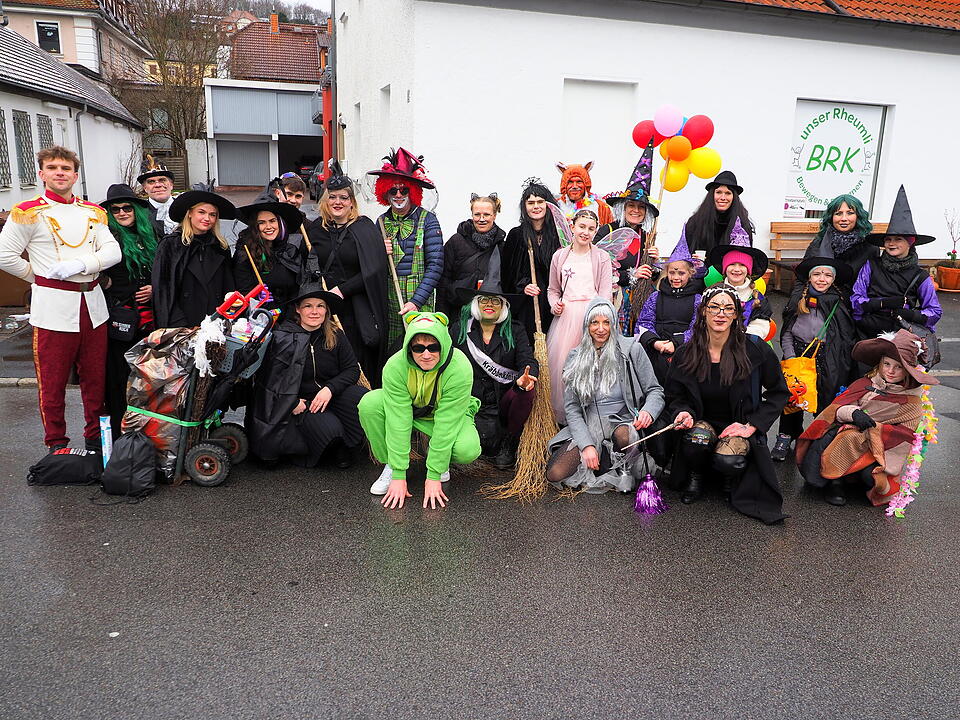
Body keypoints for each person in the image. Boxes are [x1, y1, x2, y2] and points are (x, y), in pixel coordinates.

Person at [0, 146, 121, 452]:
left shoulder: (93, 212)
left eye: (65, 169)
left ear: (75, 175)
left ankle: (95, 439)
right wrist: (39, 277)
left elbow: (112, 252)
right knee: (52, 385)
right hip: (53, 308)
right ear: (42, 174)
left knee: (95, 382)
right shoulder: (27, 212)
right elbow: (4, 255)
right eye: (52, 168)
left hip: (93, 307)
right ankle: (57, 444)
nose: (59, 173)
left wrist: (82, 265)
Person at [663, 284, 789, 524]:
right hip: (701, 423)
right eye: (714, 307)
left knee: (728, 459)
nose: (721, 313)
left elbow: (778, 393)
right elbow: (674, 395)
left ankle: (729, 476)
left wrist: (751, 426)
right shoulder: (686, 353)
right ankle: (696, 473)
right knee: (696, 440)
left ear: (736, 315)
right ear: (703, 312)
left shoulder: (754, 349)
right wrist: (683, 412)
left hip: (738, 424)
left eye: (728, 308)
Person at [796, 329, 937, 507]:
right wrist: (853, 414)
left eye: (898, 367)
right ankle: (836, 482)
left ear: (908, 371)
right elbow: (835, 410)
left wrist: (875, 429)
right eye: (887, 364)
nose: (891, 371)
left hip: (882, 449)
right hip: (844, 439)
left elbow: (904, 435)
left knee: (870, 477)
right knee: (845, 437)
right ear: (879, 364)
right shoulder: (864, 384)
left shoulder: (912, 400)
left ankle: (855, 478)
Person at [359, 312, 481, 510]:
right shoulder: (395, 365)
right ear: (409, 348)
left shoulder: (459, 367)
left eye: (433, 347)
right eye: (418, 348)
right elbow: (399, 418)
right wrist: (399, 474)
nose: (426, 354)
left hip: (448, 415)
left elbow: (447, 421)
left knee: (468, 449)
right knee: (370, 404)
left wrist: (434, 474)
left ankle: (440, 461)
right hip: (412, 411)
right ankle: (391, 463)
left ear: (444, 344)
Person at [545, 298, 664, 493]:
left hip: (623, 422)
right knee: (555, 473)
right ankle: (604, 460)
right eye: (595, 322)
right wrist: (587, 446)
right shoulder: (576, 356)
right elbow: (572, 409)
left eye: (606, 322)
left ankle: (619, 462)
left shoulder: (631, 349)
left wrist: (648, 412)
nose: (601, 329)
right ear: (587, 325)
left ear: (613, 324)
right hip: (590, 424)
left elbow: (655, 390)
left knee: (623, 436)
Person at [246, 283, 367, 468]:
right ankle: (332, 442)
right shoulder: (283, 338)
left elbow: (351, 369)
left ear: (326, 311)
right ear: (298, 309)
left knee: (362, 399)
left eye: (320, 306)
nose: (314, 311)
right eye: (308, 306)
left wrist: (329, 389)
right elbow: (269, 381)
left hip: (329, 395)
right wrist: (292, 402)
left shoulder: (335, 334)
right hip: (303, 404)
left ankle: (345, 442)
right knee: (331, 430)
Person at [307, 162, 389, 387]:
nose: (337, 202)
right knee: (328, 357)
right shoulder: (316, 229)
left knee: (358, 355)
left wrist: (342, 290)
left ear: (352, 202)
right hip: (326, 308)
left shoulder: (364, 228)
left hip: (356, 307)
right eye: (332, 197)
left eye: (343, 197)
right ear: (325, 200)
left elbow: (374, 270)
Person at [770, 247, 855, 462]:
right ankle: (787, 435)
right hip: (797, 353)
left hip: (826, 358)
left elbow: (844, 336)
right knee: (793, 398)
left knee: (825, 399)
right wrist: (790, 357)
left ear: (833, 279)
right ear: (809, 277)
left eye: (827, 275)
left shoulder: (839, 301)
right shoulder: (799, 298)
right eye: (817, 274)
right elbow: (787, 330)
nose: (822, 279)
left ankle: (819, 438)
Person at [450, 271, 537, 469]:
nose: (489, 305)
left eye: (496, 301)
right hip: (468, 399)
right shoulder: (459, 329)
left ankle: (509, 442)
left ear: (503, 307)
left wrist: (528, 377)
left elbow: (527, 359)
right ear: (476, 304)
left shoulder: (515, 330)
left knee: (526, 392)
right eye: (484, 300)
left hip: (502, 400)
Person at [100, 183, 160, 439]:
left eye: (127, 208)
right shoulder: (105, 239)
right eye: (116, 210)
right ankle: (121, 439)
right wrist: (106, 283)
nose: (123, 213)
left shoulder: (152, 235)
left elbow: (163, 271)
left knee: (150, 381)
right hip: (120, 322)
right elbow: (93, 270)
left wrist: (154, 289)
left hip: (150, 322)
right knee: (121, 382)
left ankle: (151, 437)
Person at [367, 147, 443, 348]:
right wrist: (379, 253)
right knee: (394, 350)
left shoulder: (429, 220)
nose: (399, 194)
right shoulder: (381, 222)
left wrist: (416, 302)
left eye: (404, 190)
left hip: (421, 301)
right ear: (385, 191)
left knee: (422, 348)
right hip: (390, 299)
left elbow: (435, 266)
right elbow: (372, 267)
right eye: (393, 190)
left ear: (414, 191)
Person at [546, 209, 612, 423]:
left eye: (591, 229)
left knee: (592, 367)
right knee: (563, 367)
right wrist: (554, 304)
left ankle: (590, 416)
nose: (586, 232)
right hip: (566, 319)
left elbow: (605, 293)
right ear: (572, 227)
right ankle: (564, 419)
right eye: (582, 227)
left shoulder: (601, 257)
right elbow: (553, 289)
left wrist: (600, 319)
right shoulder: (560, 256)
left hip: (592, 317)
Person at [851, 186, 940, 341]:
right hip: (867, 331)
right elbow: (856, 299)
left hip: (901, 334)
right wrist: (882, 303)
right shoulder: (871, 266)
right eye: (888, 239)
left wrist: (911, 314)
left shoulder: (920, 276)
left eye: (898, 239)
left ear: (910, 243)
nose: (892, 243)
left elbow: (934, 311)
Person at [151, 190, 237, 328]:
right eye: (201, 212)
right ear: (190, 213)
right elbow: (164, 291)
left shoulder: (220, 247)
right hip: (183, 323)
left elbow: (228, 287)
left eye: (212, 214)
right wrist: (179, 325)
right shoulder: (171, 245)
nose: (207, 218)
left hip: (215, 322)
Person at [597, 143, 660, 333]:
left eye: (641, 207)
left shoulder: (647, 237)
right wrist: (631, 275)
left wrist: (654, 264)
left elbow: (650, 276)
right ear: (622, 207)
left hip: (638, 304)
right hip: (612, 300)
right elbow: (596, 269)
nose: (636, 210)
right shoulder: (606, 231)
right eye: (631, 205)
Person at [634, 228, 702, 384]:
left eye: (681, 273)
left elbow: (697, 327)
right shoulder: (655, 297)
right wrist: (655, 342)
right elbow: (643, 324)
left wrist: (676, 343)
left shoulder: (697, 300)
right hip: (656, 352)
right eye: (672, 273)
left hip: (685, 353)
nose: (676, 277)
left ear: (690, 273)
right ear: (667, 272)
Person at [501, 179, 562, 340]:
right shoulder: (516, 235)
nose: (536, 206)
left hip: (554, 303)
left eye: (541, 202)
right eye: (531, 202)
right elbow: (507, 274)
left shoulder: (559, 235)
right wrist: (522, 286)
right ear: (524, 207)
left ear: (549, 205)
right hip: (527, 305)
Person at [437, 193, 506, 317]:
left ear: (494, 216)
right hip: (458, 311)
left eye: (486, 215)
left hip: (490, 313)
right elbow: (443, 280)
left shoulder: (502, 246)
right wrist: (442, 315)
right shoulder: (456, 241)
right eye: (477, 214)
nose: (481, 219)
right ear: (472, 215)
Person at [233, 200, 306, 310]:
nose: (268, 226)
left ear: (279, 223)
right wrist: (255, 297)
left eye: (272, 221)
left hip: (290, 315)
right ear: (255, 226)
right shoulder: (245, 253)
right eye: (261, 223)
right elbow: (242, 289)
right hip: (260, 316)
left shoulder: (290, 251)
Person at [707, 217, 772, 339]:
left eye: (742, 265)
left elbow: (760, 327)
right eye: (732, 264)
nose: (737, 269)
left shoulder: (757, 299)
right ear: (725, 268)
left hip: (745, 346)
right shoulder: (712, 293)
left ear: (748, 270)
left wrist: (741, 338)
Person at [802, 194, 875, 290]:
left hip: (854, 301)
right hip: (822, 298)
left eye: (850, 213)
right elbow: (803, 277)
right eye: (838, 213)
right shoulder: (819, 242)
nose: (844, 218)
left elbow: (873, 284)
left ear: (858, 216)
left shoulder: (870, 247)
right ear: (831, 217)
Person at [683, 170, 755, 255]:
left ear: (734, 197)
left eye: (728, 193)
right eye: (718, 192)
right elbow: (685, 252)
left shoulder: (742, 225)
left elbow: (744, 259)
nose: (723, 197)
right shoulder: (695, 222)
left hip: (730, 268)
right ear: (711, 195)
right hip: (700, 267)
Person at [555, 161, 614, 225]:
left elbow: (611, 232)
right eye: (570, 182)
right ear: (564, 184)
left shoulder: (601, 207)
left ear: (586, 184)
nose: (574, 186)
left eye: (579, 182)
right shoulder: (556, 206)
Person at [137, 159, 177, 236]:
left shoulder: (186, 208)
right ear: (145, 188)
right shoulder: (139, 213)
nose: (157, 185)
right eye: (151, 182)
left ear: (171, 184)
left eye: (162, 180)